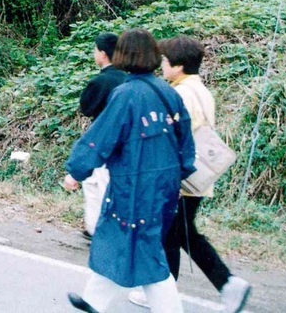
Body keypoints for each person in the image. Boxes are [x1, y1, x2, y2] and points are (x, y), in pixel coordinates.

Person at [63, 28, 196, 313]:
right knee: (121, 239)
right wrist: (179, 174)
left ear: (123, 54)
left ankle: (168, 309)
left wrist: (76, 171)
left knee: (142, 247)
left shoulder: (126, 94)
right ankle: (94, 301)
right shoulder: (167, 93)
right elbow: (186, 141)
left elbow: (100, 139)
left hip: (135, 184)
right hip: (164, 184)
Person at [138, 36, 251, 313]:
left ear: (178, 65)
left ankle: (169, 293)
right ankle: (225, 284)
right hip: (197, 177)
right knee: (181, 233)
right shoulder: (200, 89)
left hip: (181, 177)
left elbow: (178, 138)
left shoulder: (181, 94)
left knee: (172, 234)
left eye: (165, 60)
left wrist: (169, 177)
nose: (161, 65)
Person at [77, 33, 127, 240]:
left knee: (96, 184)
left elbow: (86, 108)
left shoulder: (101, 81)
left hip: (101, 141)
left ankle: (97, 230)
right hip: (123, 144)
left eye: (95, 50)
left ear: (103, 54)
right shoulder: (126, 79)